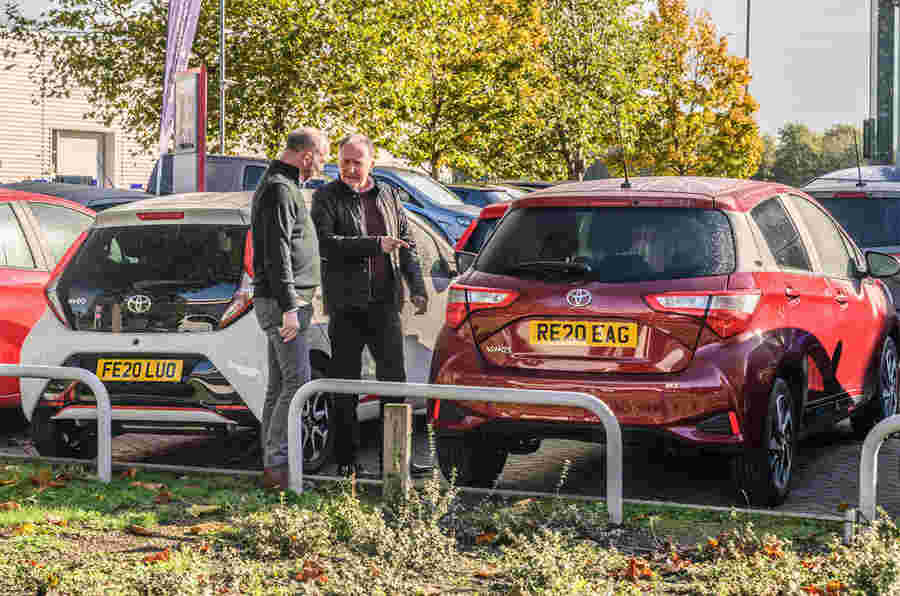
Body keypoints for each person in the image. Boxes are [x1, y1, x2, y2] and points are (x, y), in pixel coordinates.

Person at [311, 133, 432, 478]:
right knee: (345, 385)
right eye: (344, 161)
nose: (349, 169)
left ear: (371, 164)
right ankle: (347, 462)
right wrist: (375, 244)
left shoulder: (390, 195)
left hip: (385, 304)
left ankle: (396, 461)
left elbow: (406, 245)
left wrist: (418, 288)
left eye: (357, 162)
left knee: (394, 383)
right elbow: (327, 244)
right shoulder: (326, 197)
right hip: (347, 306)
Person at [251, 127, 328, 491]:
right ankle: (280, 472)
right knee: (297, 381)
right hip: (286, 302)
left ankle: (273, 466)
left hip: (283, 299)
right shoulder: (281, 189)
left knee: (279, 385)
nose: (323, 165)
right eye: (323, 157)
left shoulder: (279, 184)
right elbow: (277, 251)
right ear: (308, 155)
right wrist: (290, 306)